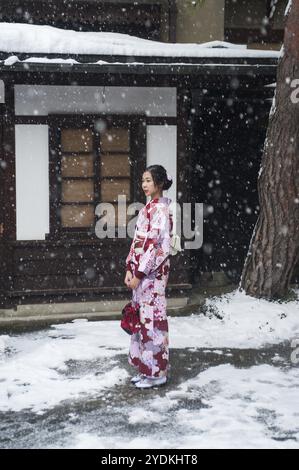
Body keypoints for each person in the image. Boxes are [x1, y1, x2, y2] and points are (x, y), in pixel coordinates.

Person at [124, 165, 173, 389]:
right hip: (141, 274)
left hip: (152, 275)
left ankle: (156, 374)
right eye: (143, 180)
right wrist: (129, 267)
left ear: (159, 183)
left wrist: (140, 272)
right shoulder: (147, 209)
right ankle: (145, 370)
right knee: (142, 321)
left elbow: (155, 248)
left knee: (151, 321)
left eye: (148, 180)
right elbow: (137, 242)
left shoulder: (161, 211)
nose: (144, 185)